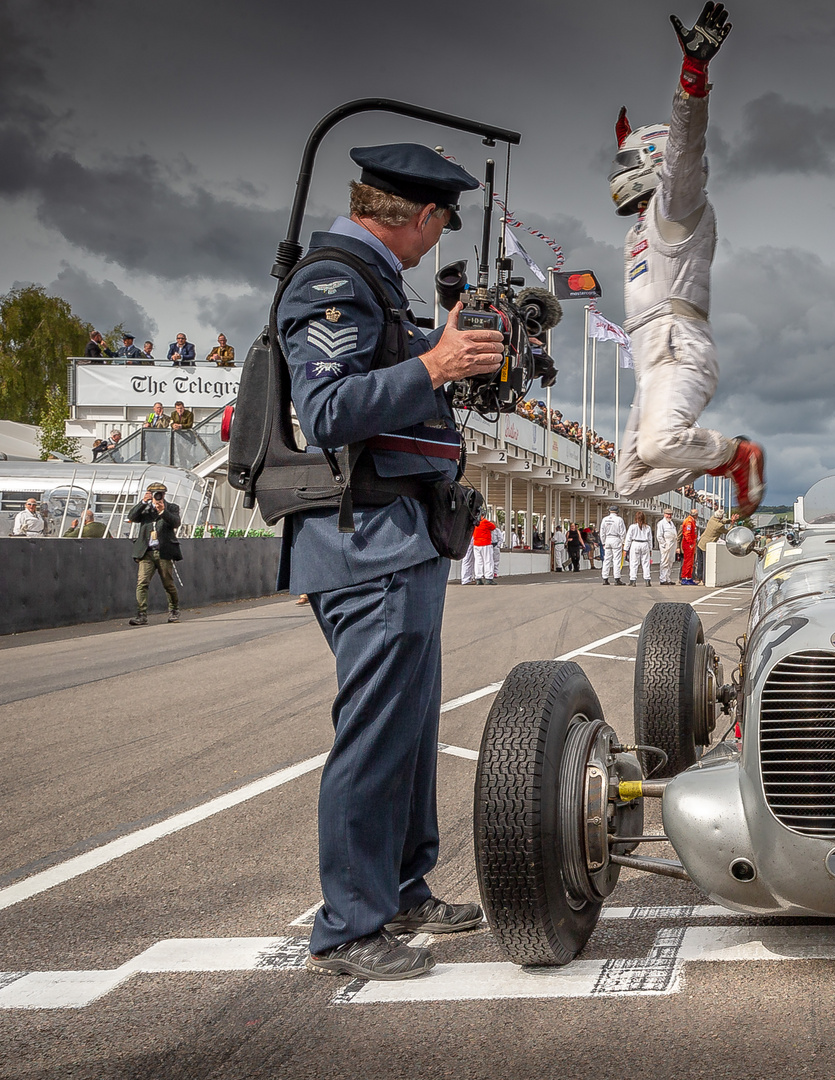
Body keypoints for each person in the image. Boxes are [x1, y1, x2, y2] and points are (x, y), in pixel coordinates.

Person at [278, 142, 501, 982]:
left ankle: (402, 889)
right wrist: (434, 363)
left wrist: (443, 358)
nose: (439, 237)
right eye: (441, 221)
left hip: (399, 537)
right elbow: (327, 410)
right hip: (363, 541)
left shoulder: (373, 283)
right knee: (373, 736)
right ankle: (348, 927)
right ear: (422, 216)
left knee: (407, 727)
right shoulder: (333, 280)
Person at [609, 3, 765, 519]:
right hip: (651, 360)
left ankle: (737, 456)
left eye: (627, 161)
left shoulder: (675, 208)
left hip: (679, 346)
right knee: (630, 483)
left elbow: (684, 154)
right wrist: (627, 138)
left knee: (656, 448)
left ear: (652, 165)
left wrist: (692, 80)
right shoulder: (642, 227)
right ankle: (713, 455)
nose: (618, 172)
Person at [126, 482, 181, 624]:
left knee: (168, 583)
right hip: (147, 552)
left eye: (160, 494)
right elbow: (131, 516)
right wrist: (143, 502)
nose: (158, 497)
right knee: (142, 583)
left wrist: (163, 511)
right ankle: (141, 614)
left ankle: (174, 609)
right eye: (155, 494)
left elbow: (176, 523)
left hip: (164, 552)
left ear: (164, 495)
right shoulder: (145, 510)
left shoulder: (172, 507)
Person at [462, 512, 497, 585]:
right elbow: (493, 527)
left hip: (476, 544)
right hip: (486, 543)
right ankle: (488, 578)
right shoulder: (484, 521)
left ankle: (478, 578)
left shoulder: (474, 523)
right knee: (488, 561)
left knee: (478, 561)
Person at [697, 506, 726, 582]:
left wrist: (730, 521)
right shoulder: (719, 526)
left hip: (700, 542)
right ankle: (704, 579)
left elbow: (722, 521)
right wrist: (732, 524)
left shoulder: (711, 519)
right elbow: (727, 531)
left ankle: (699, 578)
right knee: (706, 563)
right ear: (721, 517)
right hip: (707, 546)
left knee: (700, 562)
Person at [625, 510, 654, 585]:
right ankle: (647, 580)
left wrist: (625, 549)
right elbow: (650, 539)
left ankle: (633, 580)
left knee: (634, 563)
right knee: (646, 563)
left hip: (635, 543)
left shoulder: (632, 527)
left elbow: (628, 538)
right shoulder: (647, 527)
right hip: (645, 543)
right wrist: (650, 549)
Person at [600, 506, 626, 585]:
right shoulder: (619, 519)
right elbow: (623, 532)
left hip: (607, 539)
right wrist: (623, 542)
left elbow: (602, 532)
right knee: (616, 560)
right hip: (616, 539)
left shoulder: (605, 519)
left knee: (606, 560)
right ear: (617, 511)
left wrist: (603, 542)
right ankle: (617, 578)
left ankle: (605, 578)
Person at [656, 507, 680, 584]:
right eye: (668, 514)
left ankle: (668, 578)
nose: (669, 516)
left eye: (670, 514)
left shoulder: (671, 523)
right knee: (664, 561)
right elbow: (659, 535)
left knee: (670, 561)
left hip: (672, 544)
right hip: (666, 544)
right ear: (664, 514)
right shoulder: (661, 523)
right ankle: (662, 579)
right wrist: (663, 544)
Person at [679, 510, 698, 585]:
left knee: (691, 562)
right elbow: (687, 533)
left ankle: (689, 577)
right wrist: (690, 543)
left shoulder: (692, 521)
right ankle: (684, 577)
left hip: (691, 543)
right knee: (687, 561)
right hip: (688, 544)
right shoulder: (689, 522)